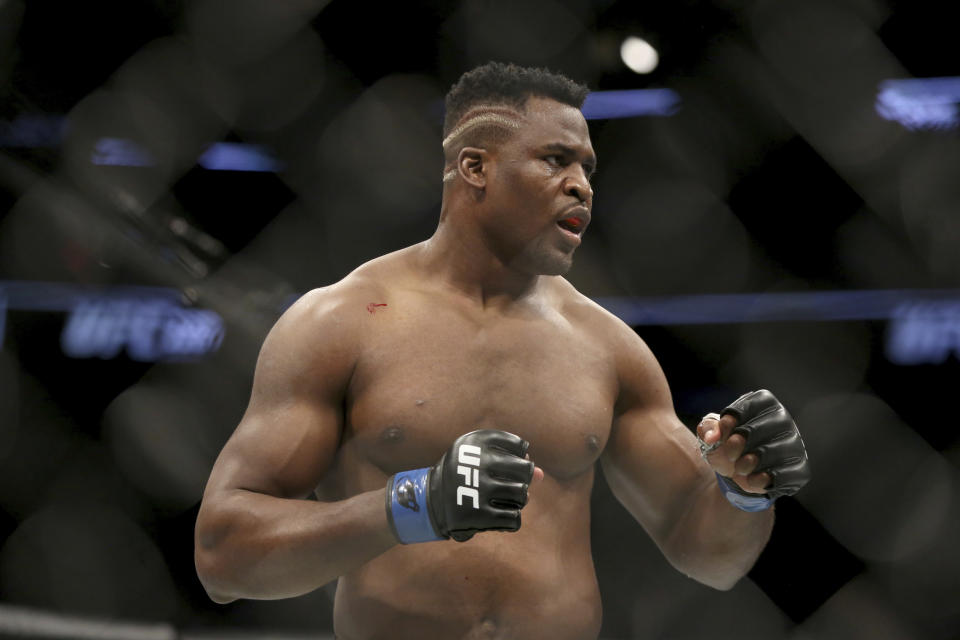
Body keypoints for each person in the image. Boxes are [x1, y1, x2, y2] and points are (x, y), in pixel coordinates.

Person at [194, 62, 810, 640]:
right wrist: (415, 506)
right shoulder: (342, 322)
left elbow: (708, 555)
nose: (581, 187)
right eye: (556, 159)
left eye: (588, 168)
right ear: (474, 167)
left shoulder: (607, 346)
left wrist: (742, 489)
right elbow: (222, 556)